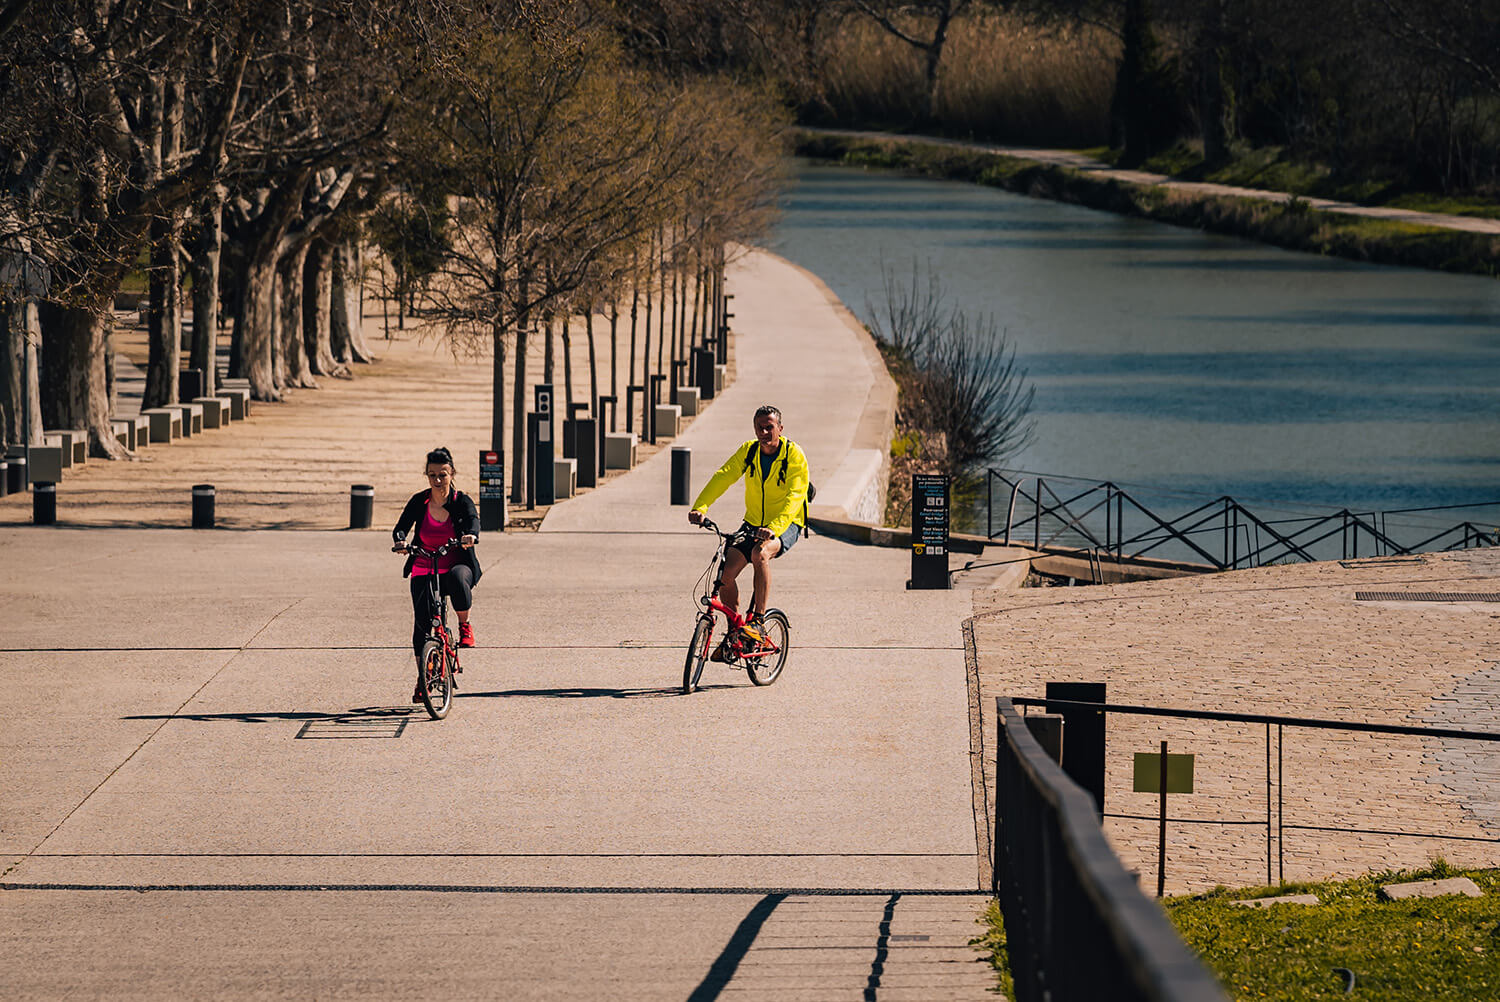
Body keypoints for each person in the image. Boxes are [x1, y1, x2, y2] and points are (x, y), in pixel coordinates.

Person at [688, 405, 809, 656]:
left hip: (787, 524)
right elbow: (724, 476)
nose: (764, 432)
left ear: (780, 428)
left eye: (770, 427)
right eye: (760, 427)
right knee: (725, 574)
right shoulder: (749, 451)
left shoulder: (793, 455)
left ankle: (758, 623)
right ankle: (735, 633)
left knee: (760, 554)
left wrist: (774, 528)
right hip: (753, 523)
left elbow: (796, 496)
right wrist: (701, 507)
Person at [393, 447, 482, 701]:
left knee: (456, 579)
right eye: (432, 475)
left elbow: (473, 520)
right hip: (424, 564)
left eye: (442, 474)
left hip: (456, 563)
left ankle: (465, 625)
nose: (438, 480)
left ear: (451, 473)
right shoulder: (419, 501)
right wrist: (400, 541)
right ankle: (423, 679)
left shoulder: (460, 501)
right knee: (422, 623)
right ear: (427, 476)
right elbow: (401, 527)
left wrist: (470, 536)